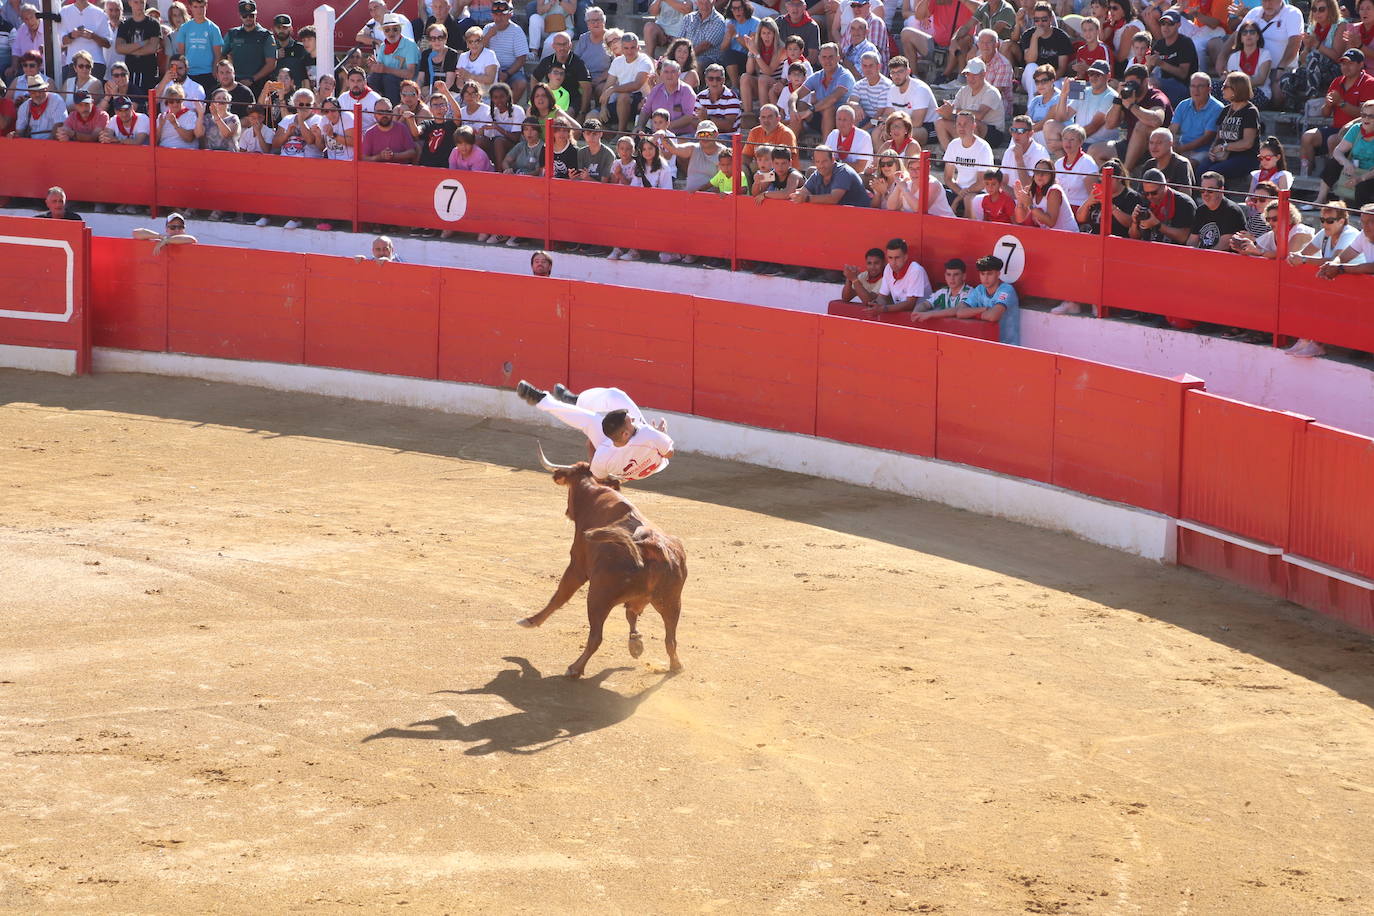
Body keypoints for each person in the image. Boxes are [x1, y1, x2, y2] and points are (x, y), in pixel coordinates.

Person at [516, 381, 675, 483]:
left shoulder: (604, 453)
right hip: (649, 463)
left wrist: (592, 448)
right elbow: (669, 454)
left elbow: (598, 478)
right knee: (613, 399)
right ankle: (573, 401)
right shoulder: (646, 433)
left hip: (619, 463)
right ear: (625, 434)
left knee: (593, 418)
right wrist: (662, 434)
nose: (632, 419)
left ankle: (549, 400)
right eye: (630, 420)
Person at [1302, 49, 1373, 187]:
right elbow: (1325, 114)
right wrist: (1328, 105)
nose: (1345, 67)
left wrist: (1340, 102)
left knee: (1333, 140)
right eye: (1343, 63)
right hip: (1335, 127)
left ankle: (1333, 186)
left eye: (1350, 63)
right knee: (1307, 137)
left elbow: (1365, 115)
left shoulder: (1369, 83)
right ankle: (1306, 179)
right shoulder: (1337, 81)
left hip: (1358, 131)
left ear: (1361, 65)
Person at [1208, 70, 1261, 183]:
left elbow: (1247, 143)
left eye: (1225, 86)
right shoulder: (1226, 110)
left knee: (1214, 173)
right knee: (1201, 169)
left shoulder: (1250, 112)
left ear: (1236, 89)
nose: (1222, 89)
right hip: (1225, 155)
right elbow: (1218, 137)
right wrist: (1212, 151)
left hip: (1245, 157)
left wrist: (1224, 147)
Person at [956, 254, 1019, 344]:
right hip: (985, 343)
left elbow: (993, 316)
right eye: (982, 274)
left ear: (998, 274)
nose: (985, 278)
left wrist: (971, 313)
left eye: (989, 274)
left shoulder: (1007, 289)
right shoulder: (980, 289)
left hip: (1008, 346)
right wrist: (984, 309)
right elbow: (959, 312)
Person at [863, 236, 932, 317]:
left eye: (897, 258)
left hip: (923, 317)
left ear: (905, 257)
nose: (893, 262)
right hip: (902, 315)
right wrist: (875, 305)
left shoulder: (916, 270)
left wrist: (883, 309)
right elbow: (882, 297)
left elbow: (910, 304)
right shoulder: (888, 268)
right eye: (890, 258)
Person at [1323, 98, 1374, 207]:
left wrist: (1360, 179)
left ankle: (1361, 214)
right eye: (1363, 115)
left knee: (1362, 186)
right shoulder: (1356, 129)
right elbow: (1338, 151)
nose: (1366, 118)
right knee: (1333, 163)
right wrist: (1346, 162)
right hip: (1355, 169)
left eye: (1371, 116)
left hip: (1370, 175)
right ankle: (1320, 199)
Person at [942, 108, 994, 214]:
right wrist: (960, 193)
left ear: (974, 126)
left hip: (977, 192)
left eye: (965, 124)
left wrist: (958, 199)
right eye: (959, 124)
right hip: (959, 190)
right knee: (935, 192)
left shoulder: (983, 147)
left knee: (968, 199)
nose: (961, 127)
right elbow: (948, 178)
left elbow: (981, 182)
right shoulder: (953, 145)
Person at [1172, 70, 1222, 173]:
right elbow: (1172, 129)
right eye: (1193, 86)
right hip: (1182, 146)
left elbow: (1207, 138)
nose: (1196, 90)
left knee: (1185, 167)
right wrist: (1171, 144)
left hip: (1204, 150)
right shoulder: (1183, 105)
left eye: (1200, 86)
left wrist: (1181, 149)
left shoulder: (1217, 108)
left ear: (1209, 89)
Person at [1130, 166, 1195, 243]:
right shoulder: (1144, 200)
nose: (1150, 197)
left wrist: (1158, 225)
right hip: (1149, 249)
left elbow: (1184, 238)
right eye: (1146, 193)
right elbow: (1134, 237)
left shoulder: (1183, 203)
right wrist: (1134, 222)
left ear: (1164, 186)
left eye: (1154, 193)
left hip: (1173, 251)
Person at [791, 144, 870, 205]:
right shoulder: (817, 174)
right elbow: (804, 191)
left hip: (861, 217)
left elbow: (833, 198)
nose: (821, 165)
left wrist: (806, 199)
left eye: (824, 161)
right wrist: (797, 195)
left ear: (833, 160)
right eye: (818, 162)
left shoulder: (843, 171)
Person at [1187, 170, 1247, 249]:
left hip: (1224, 258)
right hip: (1204, 255)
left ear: (1221, 190)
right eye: (1202, 190)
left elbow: (1224, 245)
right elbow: (1192, 241)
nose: (1205, 194)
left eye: (1210, 190)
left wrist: (1202, 258)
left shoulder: (1231, 211)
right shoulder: (1201, 211)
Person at [173, 0, 222, 95]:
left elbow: (218, 54)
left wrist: (214, 72)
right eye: (195, 7)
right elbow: (181, 54)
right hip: (189, 73)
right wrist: (182, 72)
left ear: (206, 6)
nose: (199, 10)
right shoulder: (184, 28)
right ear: (190, 7)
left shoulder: (213, 28)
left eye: (201, 7)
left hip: (207, 73)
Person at [483, 1, 529, 101]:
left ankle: (510, 110)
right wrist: (488, 36)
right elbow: (480, 52)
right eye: (496, 14)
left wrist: (507, 74)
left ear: (510, 15)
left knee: (521, 83)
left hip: (511, 70)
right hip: (491, 69)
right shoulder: (487, 28)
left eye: (502, 15)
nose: (498, 18)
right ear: (492, 15)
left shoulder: (517, 31)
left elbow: (521, 59)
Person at [1149, 10, 1197, 106]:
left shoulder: (1185, 43)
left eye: (1170, 24)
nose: (1165, 27)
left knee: (1153, 83)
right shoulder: (1159, 44)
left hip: (1184, 87)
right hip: (1164, 84)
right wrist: (1149, 64)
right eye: (1163, 23)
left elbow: (1183, 74)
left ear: (1178, 25)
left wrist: (1161, 63)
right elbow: (1148, 70)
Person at [116, 0, 161, 102]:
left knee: (148, 103)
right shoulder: (125, 25)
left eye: (142, 2)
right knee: (130, 102)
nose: (139, 5)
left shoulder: (153, 24)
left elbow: (152, 48)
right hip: (130, 71)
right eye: (136, 2)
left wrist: (128, 49)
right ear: (130, 3)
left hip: (148, 71)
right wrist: (142, 44)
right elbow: (119, 48)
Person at [1316, 202, 1374, 278]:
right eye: (1363, 222)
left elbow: (1372, 267)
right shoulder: (1363, 235)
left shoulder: (1350, 233)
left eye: (1372, 221)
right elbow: (1343, 257)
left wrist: (1340, 268)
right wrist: (1334, 264)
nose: (1366, 226)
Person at [59, 0, 113, 81]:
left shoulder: (100, 13)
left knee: (94, 92)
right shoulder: (64, 11)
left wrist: (93, 36)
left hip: (95, 63)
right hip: (73, 64)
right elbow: (62, 41)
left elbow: (107, 43)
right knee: (72, 92)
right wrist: (72, 35)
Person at [911, 258, 973, 322]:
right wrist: (916, 312)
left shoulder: (969, 292)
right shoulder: (943, 292)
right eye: (948, 274)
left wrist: (929, 314)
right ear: (945, 276)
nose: (952, 278)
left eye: (956, 274)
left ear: (964, 276)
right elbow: (925, 304)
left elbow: (958, 310)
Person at [131, 210, 197, 252]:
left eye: (180, 227)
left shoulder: (186, 239)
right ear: (166, 229)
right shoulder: (162, 239)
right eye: (173, 227)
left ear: (184, 229)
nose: (177, 230)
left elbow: (192, 239)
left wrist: (166, 240)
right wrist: (160, 236)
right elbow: (135, 233)